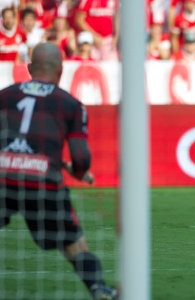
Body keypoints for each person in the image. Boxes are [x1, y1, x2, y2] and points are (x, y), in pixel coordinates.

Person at [0, 43, 116, 300]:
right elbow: (81, 156)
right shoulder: (70, 104)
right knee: (73, 243)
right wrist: (77, 170)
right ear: (61, 71)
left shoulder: (4, 95)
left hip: (3, 178)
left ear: (29, 68)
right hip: (43, 183)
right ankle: (98, 287)